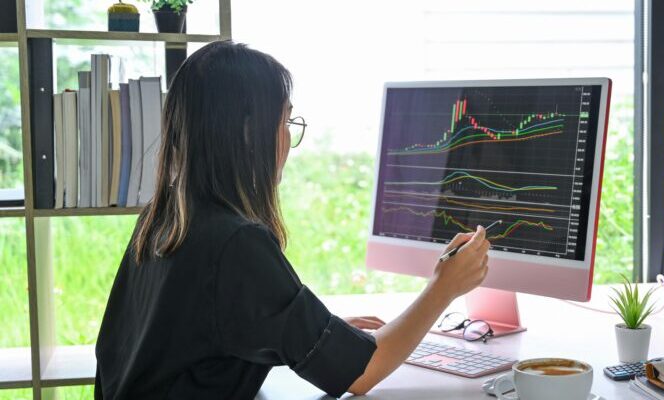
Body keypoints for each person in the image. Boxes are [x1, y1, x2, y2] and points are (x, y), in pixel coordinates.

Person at [94, 40, 490, 399]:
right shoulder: (236, 243)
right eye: (284, 121)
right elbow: (363, 373)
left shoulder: (165, 219)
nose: (287, 138)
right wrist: (443, 288)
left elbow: (198, 338)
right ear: (249, 134)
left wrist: (308, 333)